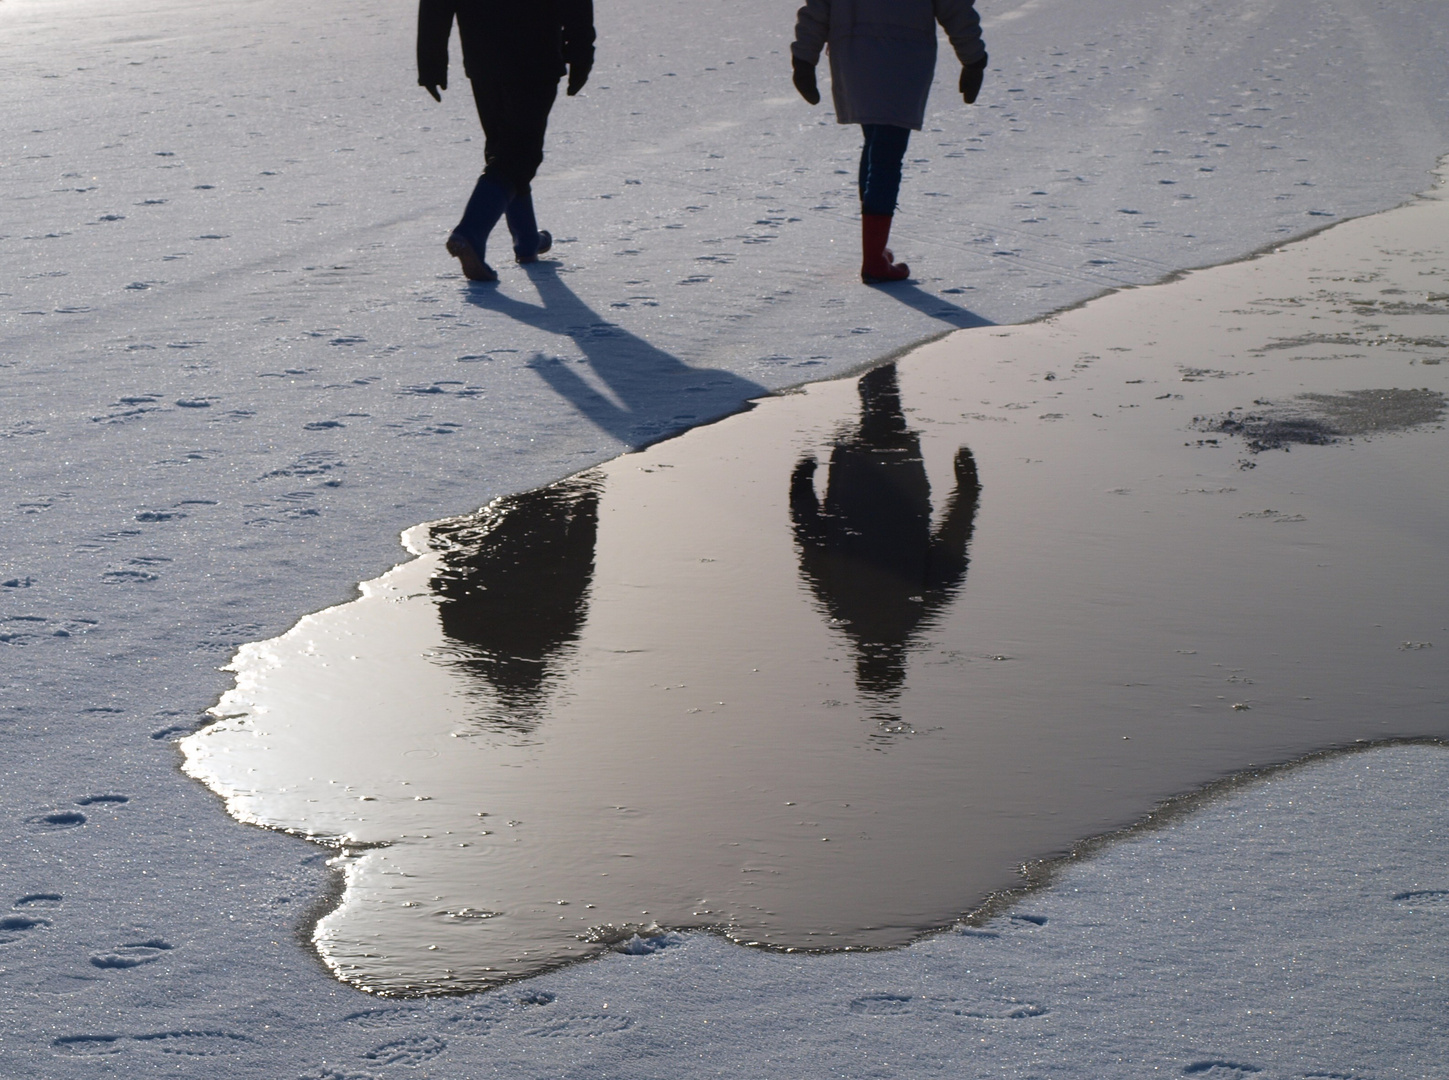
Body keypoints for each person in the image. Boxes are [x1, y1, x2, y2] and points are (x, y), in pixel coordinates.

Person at [790, 0, 987, 283]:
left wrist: (804, 59)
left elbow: (819, 7)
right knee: (885, 153)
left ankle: (875, 252)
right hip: (904, 58)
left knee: (875, 144)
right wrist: (973, 58)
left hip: (854, 55)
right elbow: (953, 7)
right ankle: (873, 261)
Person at [417, 0, 595, 282]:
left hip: (483, 57)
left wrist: (430, 59)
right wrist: (581, 49)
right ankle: (470, 233)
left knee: (505, 148)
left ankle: (526, 240)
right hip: (535, 53)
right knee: (518, 154)